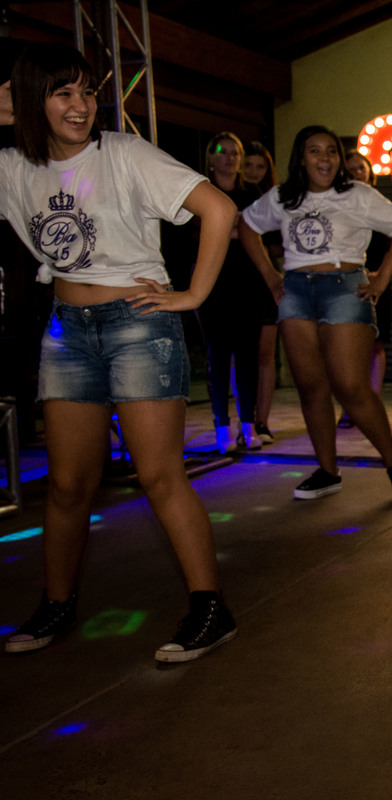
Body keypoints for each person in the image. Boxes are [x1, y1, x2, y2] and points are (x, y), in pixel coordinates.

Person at [0, 42, 239, 661]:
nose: (81, 105)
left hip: (138, 324)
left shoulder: (125, 153)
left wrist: (192, 295)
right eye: (63, 93)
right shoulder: (14, 166)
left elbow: (219, 208)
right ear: (30, 100)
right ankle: (56, 604)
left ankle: (210, 608)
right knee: (67, 484)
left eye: (87, 91)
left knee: (159, 475)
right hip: (66, 331)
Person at [239, 125, 392, 504]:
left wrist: (382, 277)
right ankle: (327, 471)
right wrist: (270, 276)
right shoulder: (283, 197)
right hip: (295, 292)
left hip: (344, 289)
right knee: (310, 386)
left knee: (350, 386)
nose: (325, 158)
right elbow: (247, 225)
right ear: (301, 159)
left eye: (331, 151)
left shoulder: (356, 194)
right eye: (315, 151)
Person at [197, 132, 265, 453]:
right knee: (218, 355)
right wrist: (232, 229)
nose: (229, 158)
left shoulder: (252, 195)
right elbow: (199, 236)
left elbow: (259, 235)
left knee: (248, 356)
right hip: (213, 283)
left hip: (248, 282)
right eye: (222, 152)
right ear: (211, 158)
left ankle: (248, 426)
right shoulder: (202, 193)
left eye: (235, 152)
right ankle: (221, 427)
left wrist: (232, 230)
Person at [337, 149, 391, 431]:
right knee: (349, 349)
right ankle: (351, 407)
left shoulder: (381, 204)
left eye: (361, 168)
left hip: (377, 283)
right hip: (347, 284)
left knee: (376, 343)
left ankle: (373, 403)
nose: (356, 173)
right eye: (351, 170)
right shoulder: (338, 206)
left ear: (370, 172)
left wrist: (382, 274)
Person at [243, 141, 281, 444]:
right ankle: (244, 420)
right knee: (241, 354)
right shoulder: (231, 198)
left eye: (260, 166)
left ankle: (262, 420)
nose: (254, 171)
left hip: (268, 281)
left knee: (266, 353)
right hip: (237, 281)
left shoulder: (276, 199)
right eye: (249, 165)